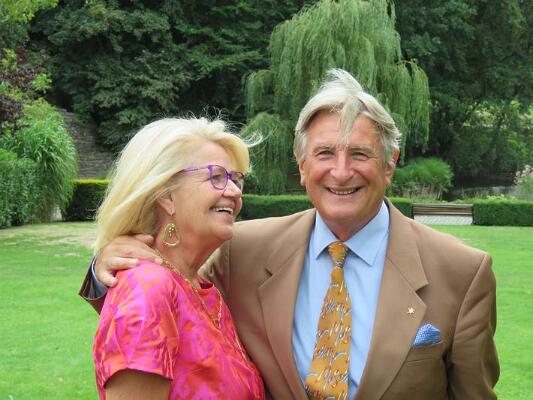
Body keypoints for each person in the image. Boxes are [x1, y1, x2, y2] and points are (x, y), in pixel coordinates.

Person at [81, 70, 499, 399]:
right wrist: (104, 270)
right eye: (324, 153)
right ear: (301, 167)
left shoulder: (461, 272)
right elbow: (159, 306)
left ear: (389, 165)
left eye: (359, 153)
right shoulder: (241, 251)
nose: (341, 172)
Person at [87, 117, 264, 399]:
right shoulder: (148, 286)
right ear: (166, 195)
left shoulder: (203, 289)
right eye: (217, 177)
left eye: (235, 179)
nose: (234, 191)